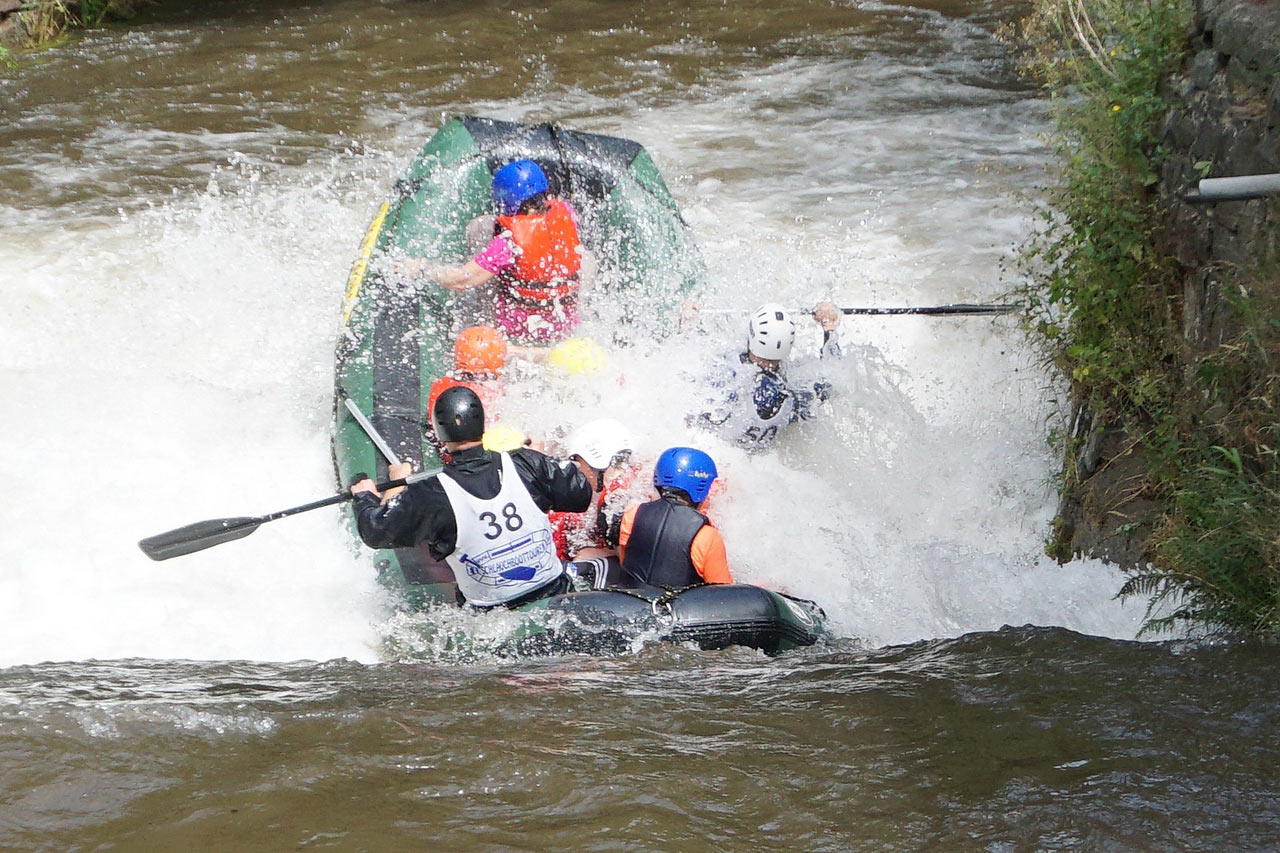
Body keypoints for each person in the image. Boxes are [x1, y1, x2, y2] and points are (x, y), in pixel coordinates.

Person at [349, 385, 593, 609]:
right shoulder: (527, 463)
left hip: (493, 619)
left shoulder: (432, 493)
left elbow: (377, 531)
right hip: (556, 598)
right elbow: (581, 495)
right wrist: (545, 462)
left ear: (439, 432)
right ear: (482, 424)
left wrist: (371, 494)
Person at [404, 159, 590, 345]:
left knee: (478, 229)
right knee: (587, 259)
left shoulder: (508, 242)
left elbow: (461, 280)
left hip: (519, 329)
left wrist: (423, 269)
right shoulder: (567, 214)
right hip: (565, 325)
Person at [693, 301, 842, 451]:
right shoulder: (797, 388)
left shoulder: (727, 374)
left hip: (716, 453)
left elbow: (686, 392)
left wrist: (689, 326)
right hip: (761, 464)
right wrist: (828, 326)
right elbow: (835, 378)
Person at [616, 446, 734, 588]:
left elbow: (625, 563)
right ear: (702, 487)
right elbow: (722, 595)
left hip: (630, 604)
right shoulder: (706, 536)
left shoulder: (632, 516)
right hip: (675, 609)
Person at [549, 418, 643, 562]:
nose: (578, 472)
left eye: (580, 465)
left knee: (584, 558)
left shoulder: (613, 501)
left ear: (596, 461)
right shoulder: (638, 480)